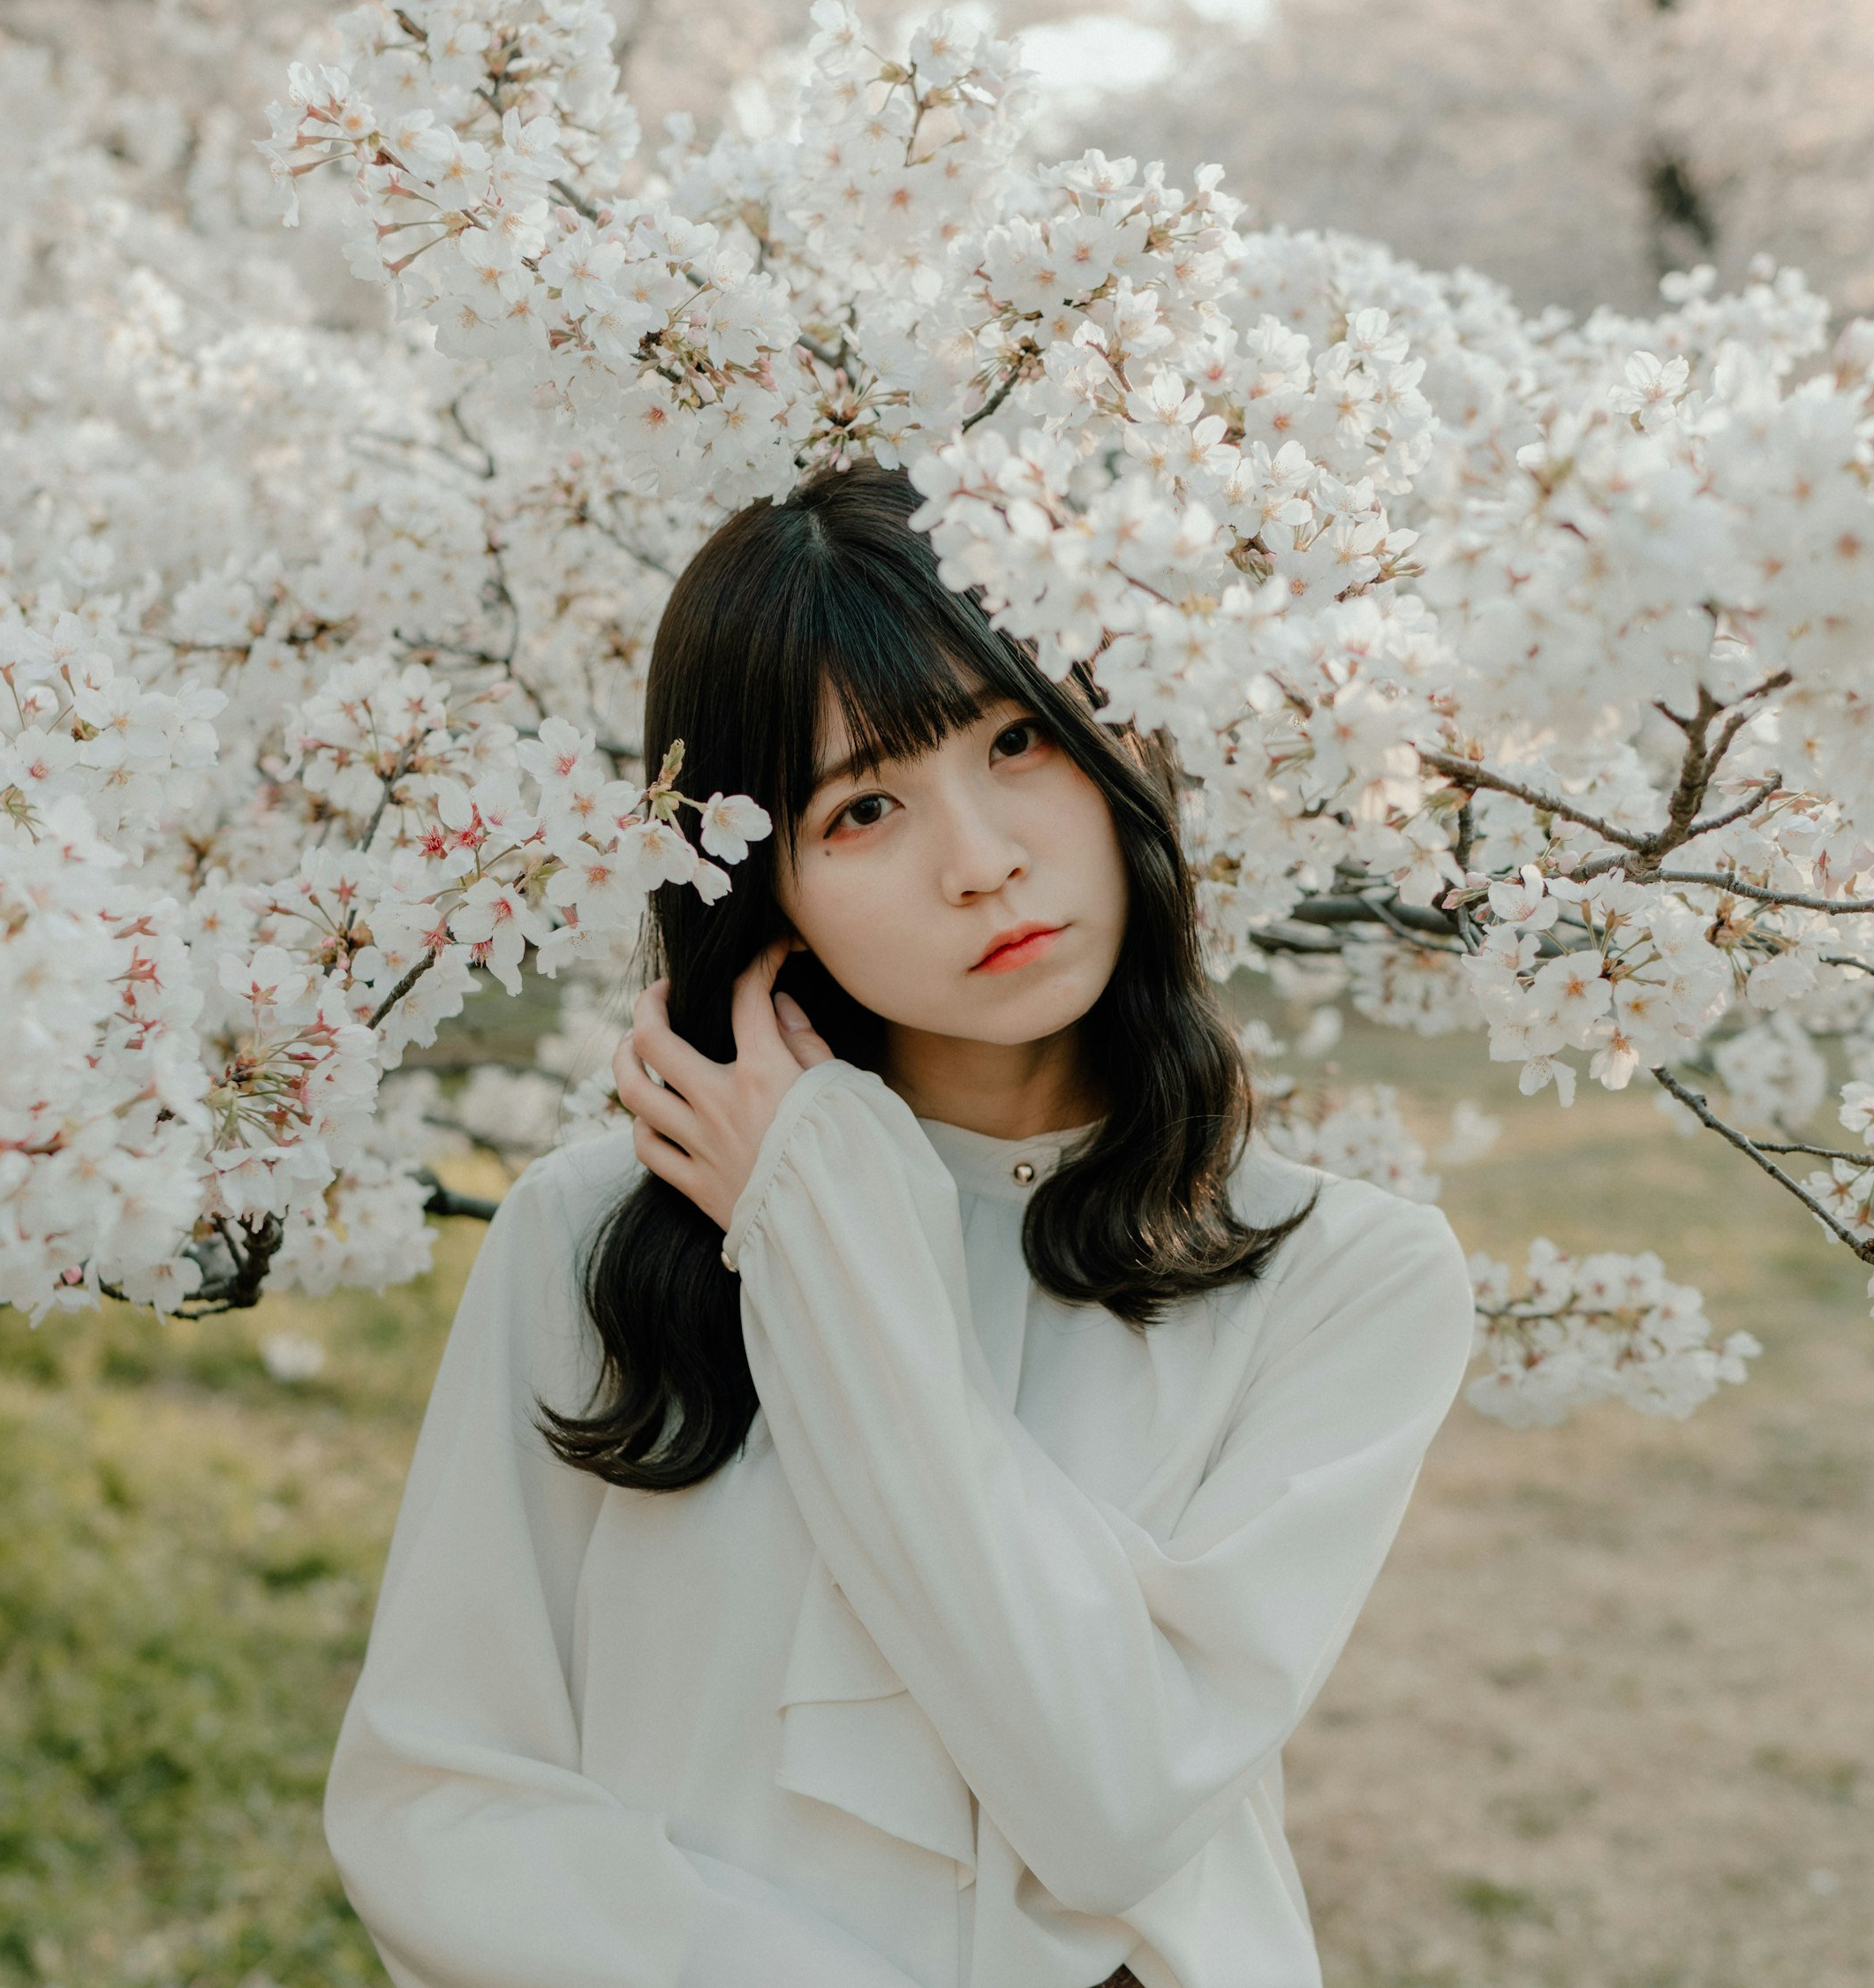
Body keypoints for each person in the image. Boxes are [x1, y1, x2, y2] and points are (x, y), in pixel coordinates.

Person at [320, 465, 1476, 1987]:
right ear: (766, 879)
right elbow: (439, 1802)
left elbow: (1118, 1803)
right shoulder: (593, 1241)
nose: (979, 857)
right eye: (864, 805)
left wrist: (835, 1248)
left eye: (1019, 740)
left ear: (1122, 737)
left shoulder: (1342, 1276)